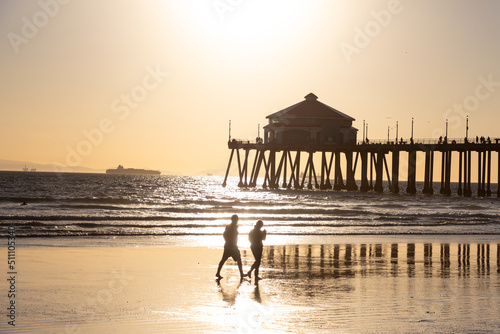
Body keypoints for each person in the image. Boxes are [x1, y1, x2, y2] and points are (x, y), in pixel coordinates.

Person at [216, 215, 246, 280]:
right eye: (236, 220)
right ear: (234, 220)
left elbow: (224, 235)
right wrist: (230, 242)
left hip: (228, 245)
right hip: (232, 246)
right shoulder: (233, 227)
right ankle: (241, 274)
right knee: (238, 259)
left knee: (223, 259)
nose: (237, 221)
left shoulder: (228, 226)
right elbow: (227, 235)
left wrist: (227, 241)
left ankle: (218, 273)